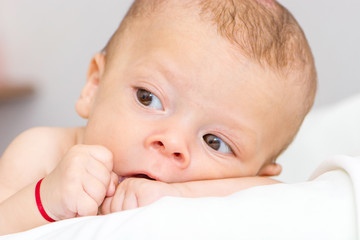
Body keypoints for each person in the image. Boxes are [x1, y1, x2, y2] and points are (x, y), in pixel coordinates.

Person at [0, 0, 316, 235]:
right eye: (148, 98)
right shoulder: (42, 150)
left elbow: (274, 192)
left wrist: (176, 195)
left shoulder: (242, 194)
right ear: (94, 87)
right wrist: (46, 198)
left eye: (215, 142)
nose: (172, 142)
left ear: (257, 172)